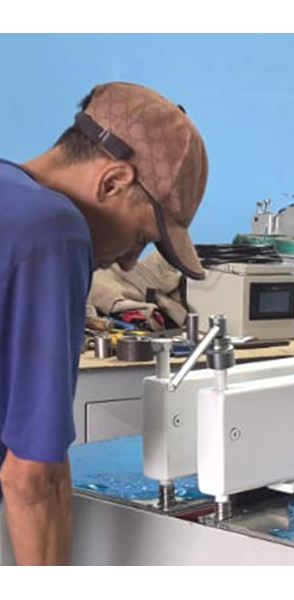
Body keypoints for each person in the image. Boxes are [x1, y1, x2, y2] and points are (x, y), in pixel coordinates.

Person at [0, 82, 209, 565]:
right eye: (140, 237)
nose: (130, 263)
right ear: (112, 181)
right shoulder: (51, 229)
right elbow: (32, 476)